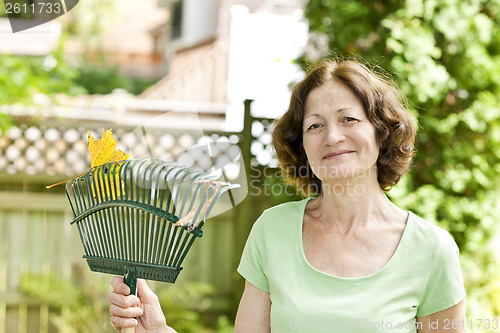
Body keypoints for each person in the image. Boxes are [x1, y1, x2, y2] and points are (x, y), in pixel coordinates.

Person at [108, 57, 466, 332]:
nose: (332, 137)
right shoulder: (273, 230)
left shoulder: (431, 250)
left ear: (381, 132)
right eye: (315, 125)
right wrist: (158, 329)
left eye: (349, 119)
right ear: (302, 145)